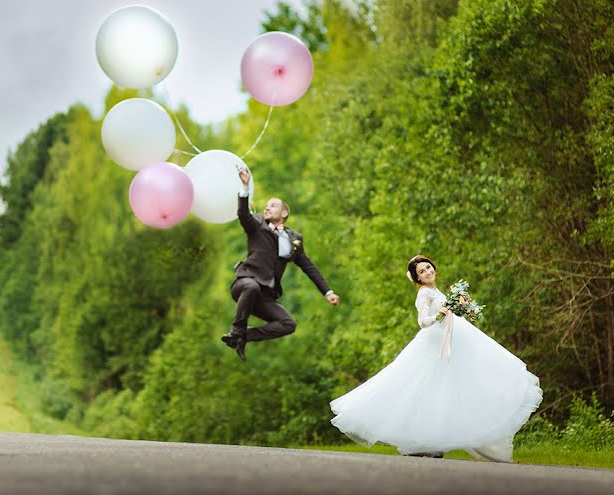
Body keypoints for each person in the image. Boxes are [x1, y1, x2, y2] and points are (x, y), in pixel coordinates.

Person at [329, 255, 542, 462]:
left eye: (428, 267)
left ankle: (432, 442)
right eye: (422, 271)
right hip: (433, 346)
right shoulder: (424, 294)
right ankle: (424, 442)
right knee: (427, 389)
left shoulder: (436, 290)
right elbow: (423, 321)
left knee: (445, 390)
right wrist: (441, 313)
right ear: (417, 279)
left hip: (451, 342)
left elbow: (452, 314)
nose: (427, 272)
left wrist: (463, 307)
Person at [221, 166, 340, 361]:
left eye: (273, 205)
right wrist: (245, 186)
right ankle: (236, 330)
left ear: (284, 213)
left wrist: (328, 292)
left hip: (265, 295)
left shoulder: (295, 239)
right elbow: (243, 214)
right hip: (244, 284)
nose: (267, 207)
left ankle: (244, 336)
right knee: (251, 286)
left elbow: (309, 268)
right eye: (267, 205)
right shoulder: (257, 225)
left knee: (288, 324)